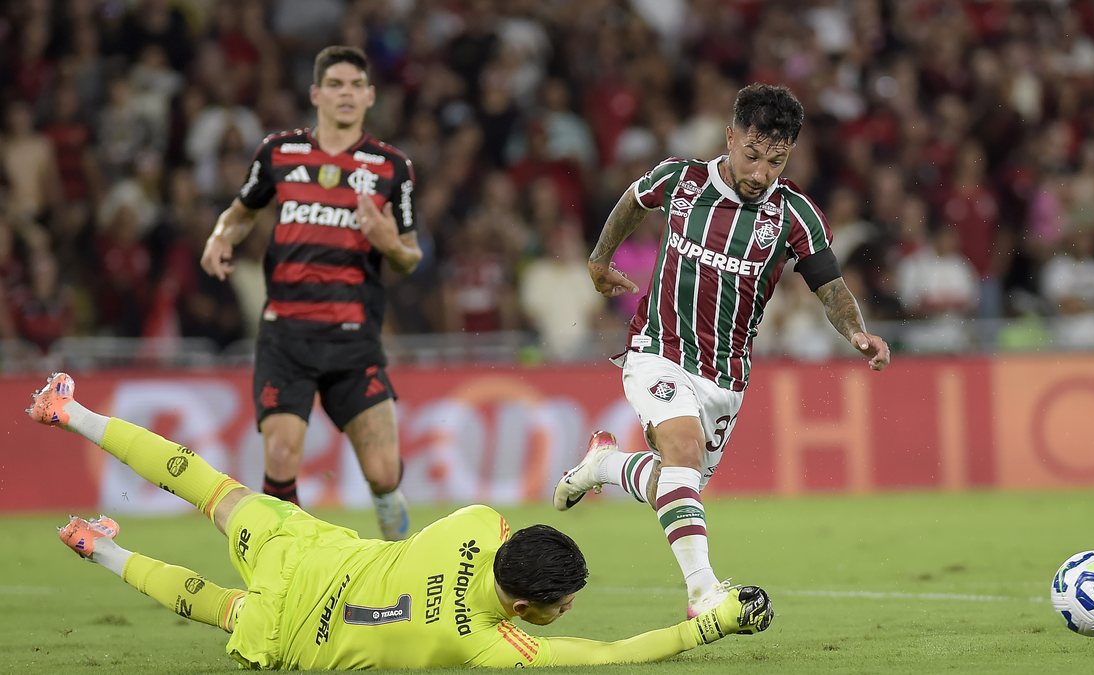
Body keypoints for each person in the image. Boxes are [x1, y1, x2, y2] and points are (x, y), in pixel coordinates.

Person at [29, 372, 774, 669]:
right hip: (298, 638)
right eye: (559, 604)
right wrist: (707, 626)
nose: (568, 610)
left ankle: (69, 410)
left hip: (306, 552)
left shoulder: (479, 524)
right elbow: (612, 655)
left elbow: (510, 542)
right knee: (207, 603)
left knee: (205, 485)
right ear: (521, 609)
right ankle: (95, 546)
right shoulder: (481, 643)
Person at [553, 83, 891, 617]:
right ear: (730, 137)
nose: (760, 174)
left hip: (726, 376)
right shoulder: (681, 179)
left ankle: (604, 466)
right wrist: (599, 259)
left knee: (676, 481)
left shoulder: (794, 215)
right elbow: (632, 201)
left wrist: (856, 331)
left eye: (775, 162)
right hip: (657, 348)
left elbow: (830, 286)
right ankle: (703, 593)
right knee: (682, 453)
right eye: (752, 155)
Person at [200, 46, 422, 540]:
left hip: (353, 339)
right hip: (286, 336)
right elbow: (240, 213)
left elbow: (410, 256)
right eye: (335, 85)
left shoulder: (391, 167)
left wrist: (388, 243)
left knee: (384, 472)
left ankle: (397, 538)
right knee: (280, 459)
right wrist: (220, 238)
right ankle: (287, 568)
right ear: (316, 94)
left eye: (355, 86)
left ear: (369, 96)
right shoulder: (279, 153)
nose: (345, 95)